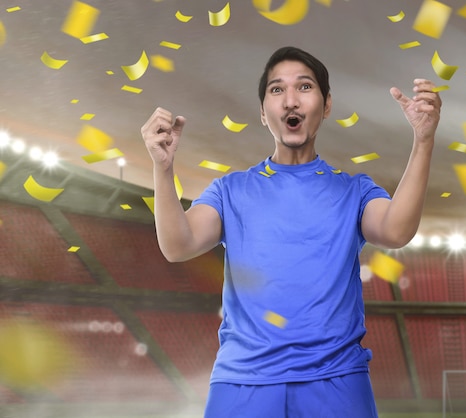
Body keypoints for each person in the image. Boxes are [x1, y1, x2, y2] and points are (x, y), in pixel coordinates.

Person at [141, 46, 441, 418]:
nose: (290, 101)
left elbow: (396, 231)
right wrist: (163, 169)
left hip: (337, 380)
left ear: (327, 104)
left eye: (304, 87)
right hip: (243, 381)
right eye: (277, 90)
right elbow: (178, 245)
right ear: (263, 114)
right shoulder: (230, 190)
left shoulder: (354, 191)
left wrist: (424, 140)